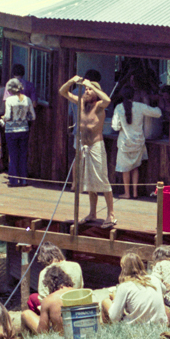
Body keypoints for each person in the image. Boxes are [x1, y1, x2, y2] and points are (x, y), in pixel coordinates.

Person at [60, 74, 116, 227]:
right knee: (89, 182)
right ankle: (92, 213)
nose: (86, 91)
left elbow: (107, 100)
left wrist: (92, 86)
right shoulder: (81, 103)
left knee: (102, 181)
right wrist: (72, 81)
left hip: (96, 147)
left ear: (96, 93)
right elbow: (62, 92)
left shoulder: (99, 106)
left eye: (89, 90)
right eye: (85, 89)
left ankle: (111, 214)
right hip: (83, 146)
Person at [112, 85, 161, 199]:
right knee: (135, 167)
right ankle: (134, 192)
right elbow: (157, 113)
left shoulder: (119, 108)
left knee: (125, 169)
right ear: (134, 95)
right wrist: (156, 101)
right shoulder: (140, 106)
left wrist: (121, 126)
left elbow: (115, 126)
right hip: (138, 142)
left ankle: (127, 193)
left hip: (125, 143)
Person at [100, 252, 168, 326]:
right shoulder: (154, 279)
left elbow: (114, 318)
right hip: (160, 325)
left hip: (137, 326)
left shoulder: (124, 286)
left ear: (123, 268)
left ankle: (109, 332)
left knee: (105, 301)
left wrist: (114, 299)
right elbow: (164, 290)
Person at [28, 243, 84, 313]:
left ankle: (41, 319)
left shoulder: (44, 272)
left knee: (32, 298)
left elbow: (43, 297)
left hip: (55, 306)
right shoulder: (76, 265)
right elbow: (81, 286)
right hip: (76, 300)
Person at [1, 78, 35, 187]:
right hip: (24, 129)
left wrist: (3, 119)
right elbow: (33, 116)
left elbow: (7, 116)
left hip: (11, 131)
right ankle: (23, 179)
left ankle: (14, 180)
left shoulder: (10, 100)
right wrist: (24, 118)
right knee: (23, 155)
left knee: (13, 155)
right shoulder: (27, 99)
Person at [21, 266, 74, 334]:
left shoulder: (48, 300)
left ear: (50, 284)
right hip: (81, 332)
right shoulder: (80, 293)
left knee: (26, 313)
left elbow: (43, 332)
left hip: (61, 335)